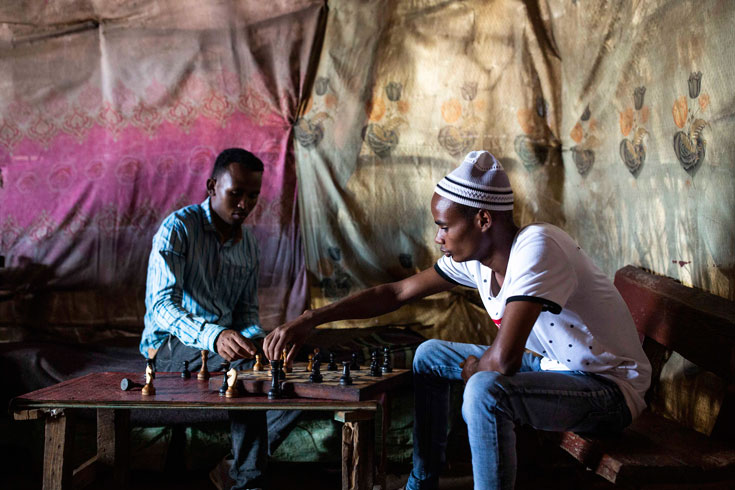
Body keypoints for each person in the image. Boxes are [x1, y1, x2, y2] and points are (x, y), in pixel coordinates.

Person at [264, 150, 651, 490]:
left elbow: (502, 363)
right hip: (557, 369)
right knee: (429, 355)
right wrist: (312, 318)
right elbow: (396, 293)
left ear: (483, 219)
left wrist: (474, 370)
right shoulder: (479, 263)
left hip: (608, 391)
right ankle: (423, 481)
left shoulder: (538, 247)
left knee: (484, 390)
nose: (438, 238)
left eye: (445, 226)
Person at [140, 147, 298, 490]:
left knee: (290, 369)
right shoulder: (177, 228)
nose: (244, 204)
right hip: (170, 348)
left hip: (222, 344)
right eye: (236, 193)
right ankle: (248, 482)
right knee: (241, 368)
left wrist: (261, 341)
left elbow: (246, 315)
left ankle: (232, 465)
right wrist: (215, 336)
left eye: (253, 196)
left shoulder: (249, 246)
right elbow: (161, 307)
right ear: (212, 187)